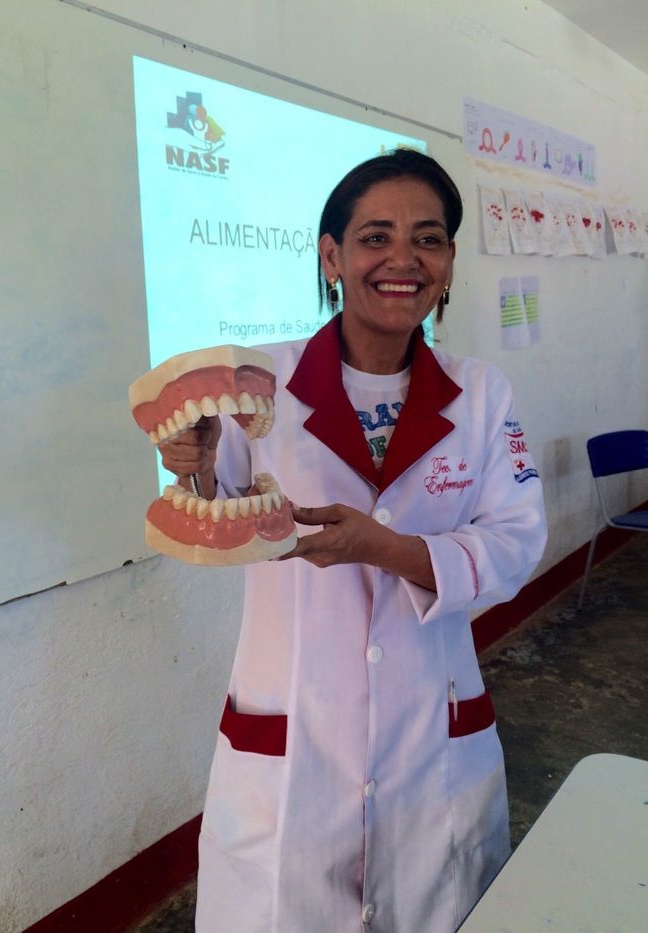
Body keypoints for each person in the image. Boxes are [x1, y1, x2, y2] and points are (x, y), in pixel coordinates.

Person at [159, 149, 547, 932]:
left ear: (449, 262)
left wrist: (386, 548)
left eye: (428, 239)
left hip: (429, 733)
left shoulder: (479, 393)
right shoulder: (256, 383)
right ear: (332, 257)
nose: (404, 259)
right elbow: (218, 512)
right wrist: (188, 461)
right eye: (376, 237)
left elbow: (515, 540)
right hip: (292, 731)